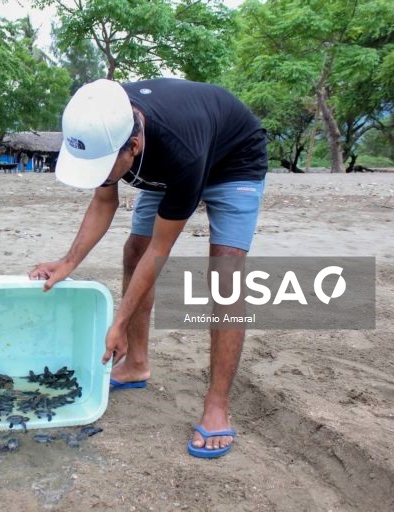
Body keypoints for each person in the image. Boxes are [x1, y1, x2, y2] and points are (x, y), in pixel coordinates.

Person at [30, 78, 267, 458]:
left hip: (232, 159)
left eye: (105, 169)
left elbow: (159, 251)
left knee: (226, 275)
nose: (102, 177)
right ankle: (136, 364)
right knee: (133, 251)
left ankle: (217, 404)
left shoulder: (180, 149)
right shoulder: (104, 118)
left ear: (134, 147)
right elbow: (104, 202)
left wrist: (119, 323)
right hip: (168, 163)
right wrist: (68, 262)